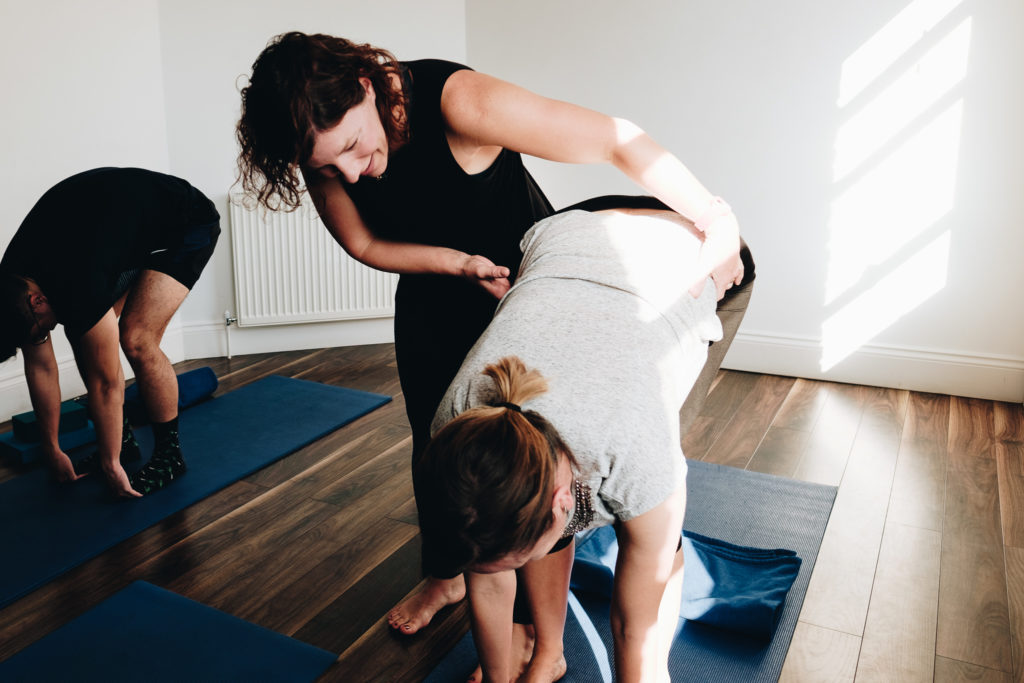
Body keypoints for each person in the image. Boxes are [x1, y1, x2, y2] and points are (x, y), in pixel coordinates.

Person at [234, 31, 743, 636]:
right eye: (327, 167)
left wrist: (713, 218)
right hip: (436, 287)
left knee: (531, 457)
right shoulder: (319, 144)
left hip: (528, 291)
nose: (350, 172)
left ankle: (535, 627)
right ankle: (449, 576)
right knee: (439, 447)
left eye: (352, 145)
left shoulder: (460, 103)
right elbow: (363, 242)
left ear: (366, 88)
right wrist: (454, 263)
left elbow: (615, 139)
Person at [419, 207, 723, 683]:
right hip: (566, 242)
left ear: (564, 499)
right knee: (526, 529)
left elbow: (635, 630)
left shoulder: (637, 444)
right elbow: (491, 577)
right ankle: (548, 654)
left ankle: (548, 649)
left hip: (692, 248)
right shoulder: (460, 424)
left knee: (651, 539)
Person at [0, 167, 221, 498]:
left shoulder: (76, 281)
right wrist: (51, 447)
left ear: (38, 301)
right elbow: (42, 367)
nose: (42, 337)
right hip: (121, 235)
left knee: (136, 339)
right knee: (84, 333)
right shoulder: (12, 288)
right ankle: (124, 441)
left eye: (38, 332)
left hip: (184, 223)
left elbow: (108, 382)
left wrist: (110, 464)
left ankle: (169, 456)